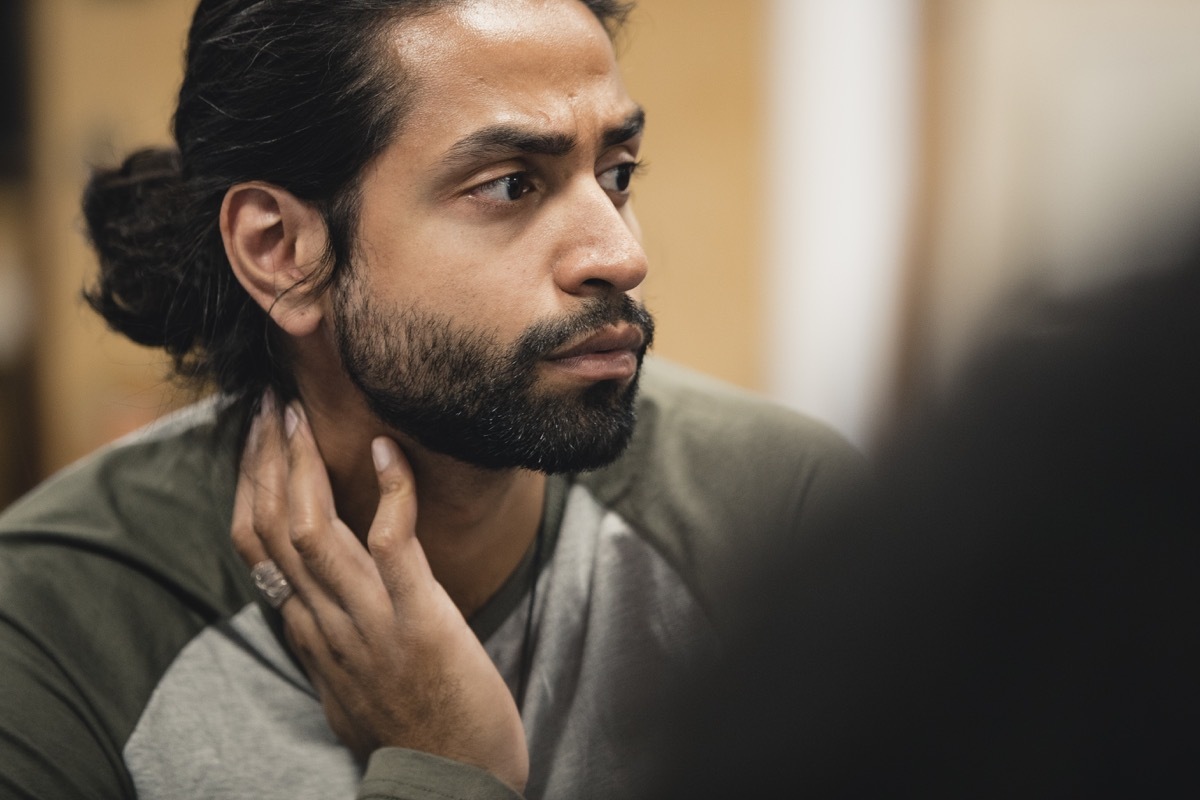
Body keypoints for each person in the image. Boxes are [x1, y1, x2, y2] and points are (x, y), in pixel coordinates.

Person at [0, 1, 865, 798]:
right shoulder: (50, 624)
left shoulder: (782, 515)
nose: (620, 254)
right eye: (510, 184)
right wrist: (446, 768)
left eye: (617, 171)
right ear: (282, 250)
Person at [648, 226, 1200, 798]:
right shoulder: (1097, 424)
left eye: (618, 176)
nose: (627, 258)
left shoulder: (785, 482)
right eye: (539, 183)